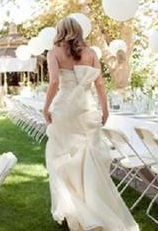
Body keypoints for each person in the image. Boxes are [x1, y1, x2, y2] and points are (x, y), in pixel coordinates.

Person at [43, 17, 139, 231]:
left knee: (62, 157)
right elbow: (100, 83)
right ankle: (94, 207)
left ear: (60, 32)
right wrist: (105, 109)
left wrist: (45, 107)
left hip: (64, 110)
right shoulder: (92, 53)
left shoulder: (54, 53)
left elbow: (55, 82)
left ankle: (75, 210)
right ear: (78, 31)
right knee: (91, 159)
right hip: (87, 109)